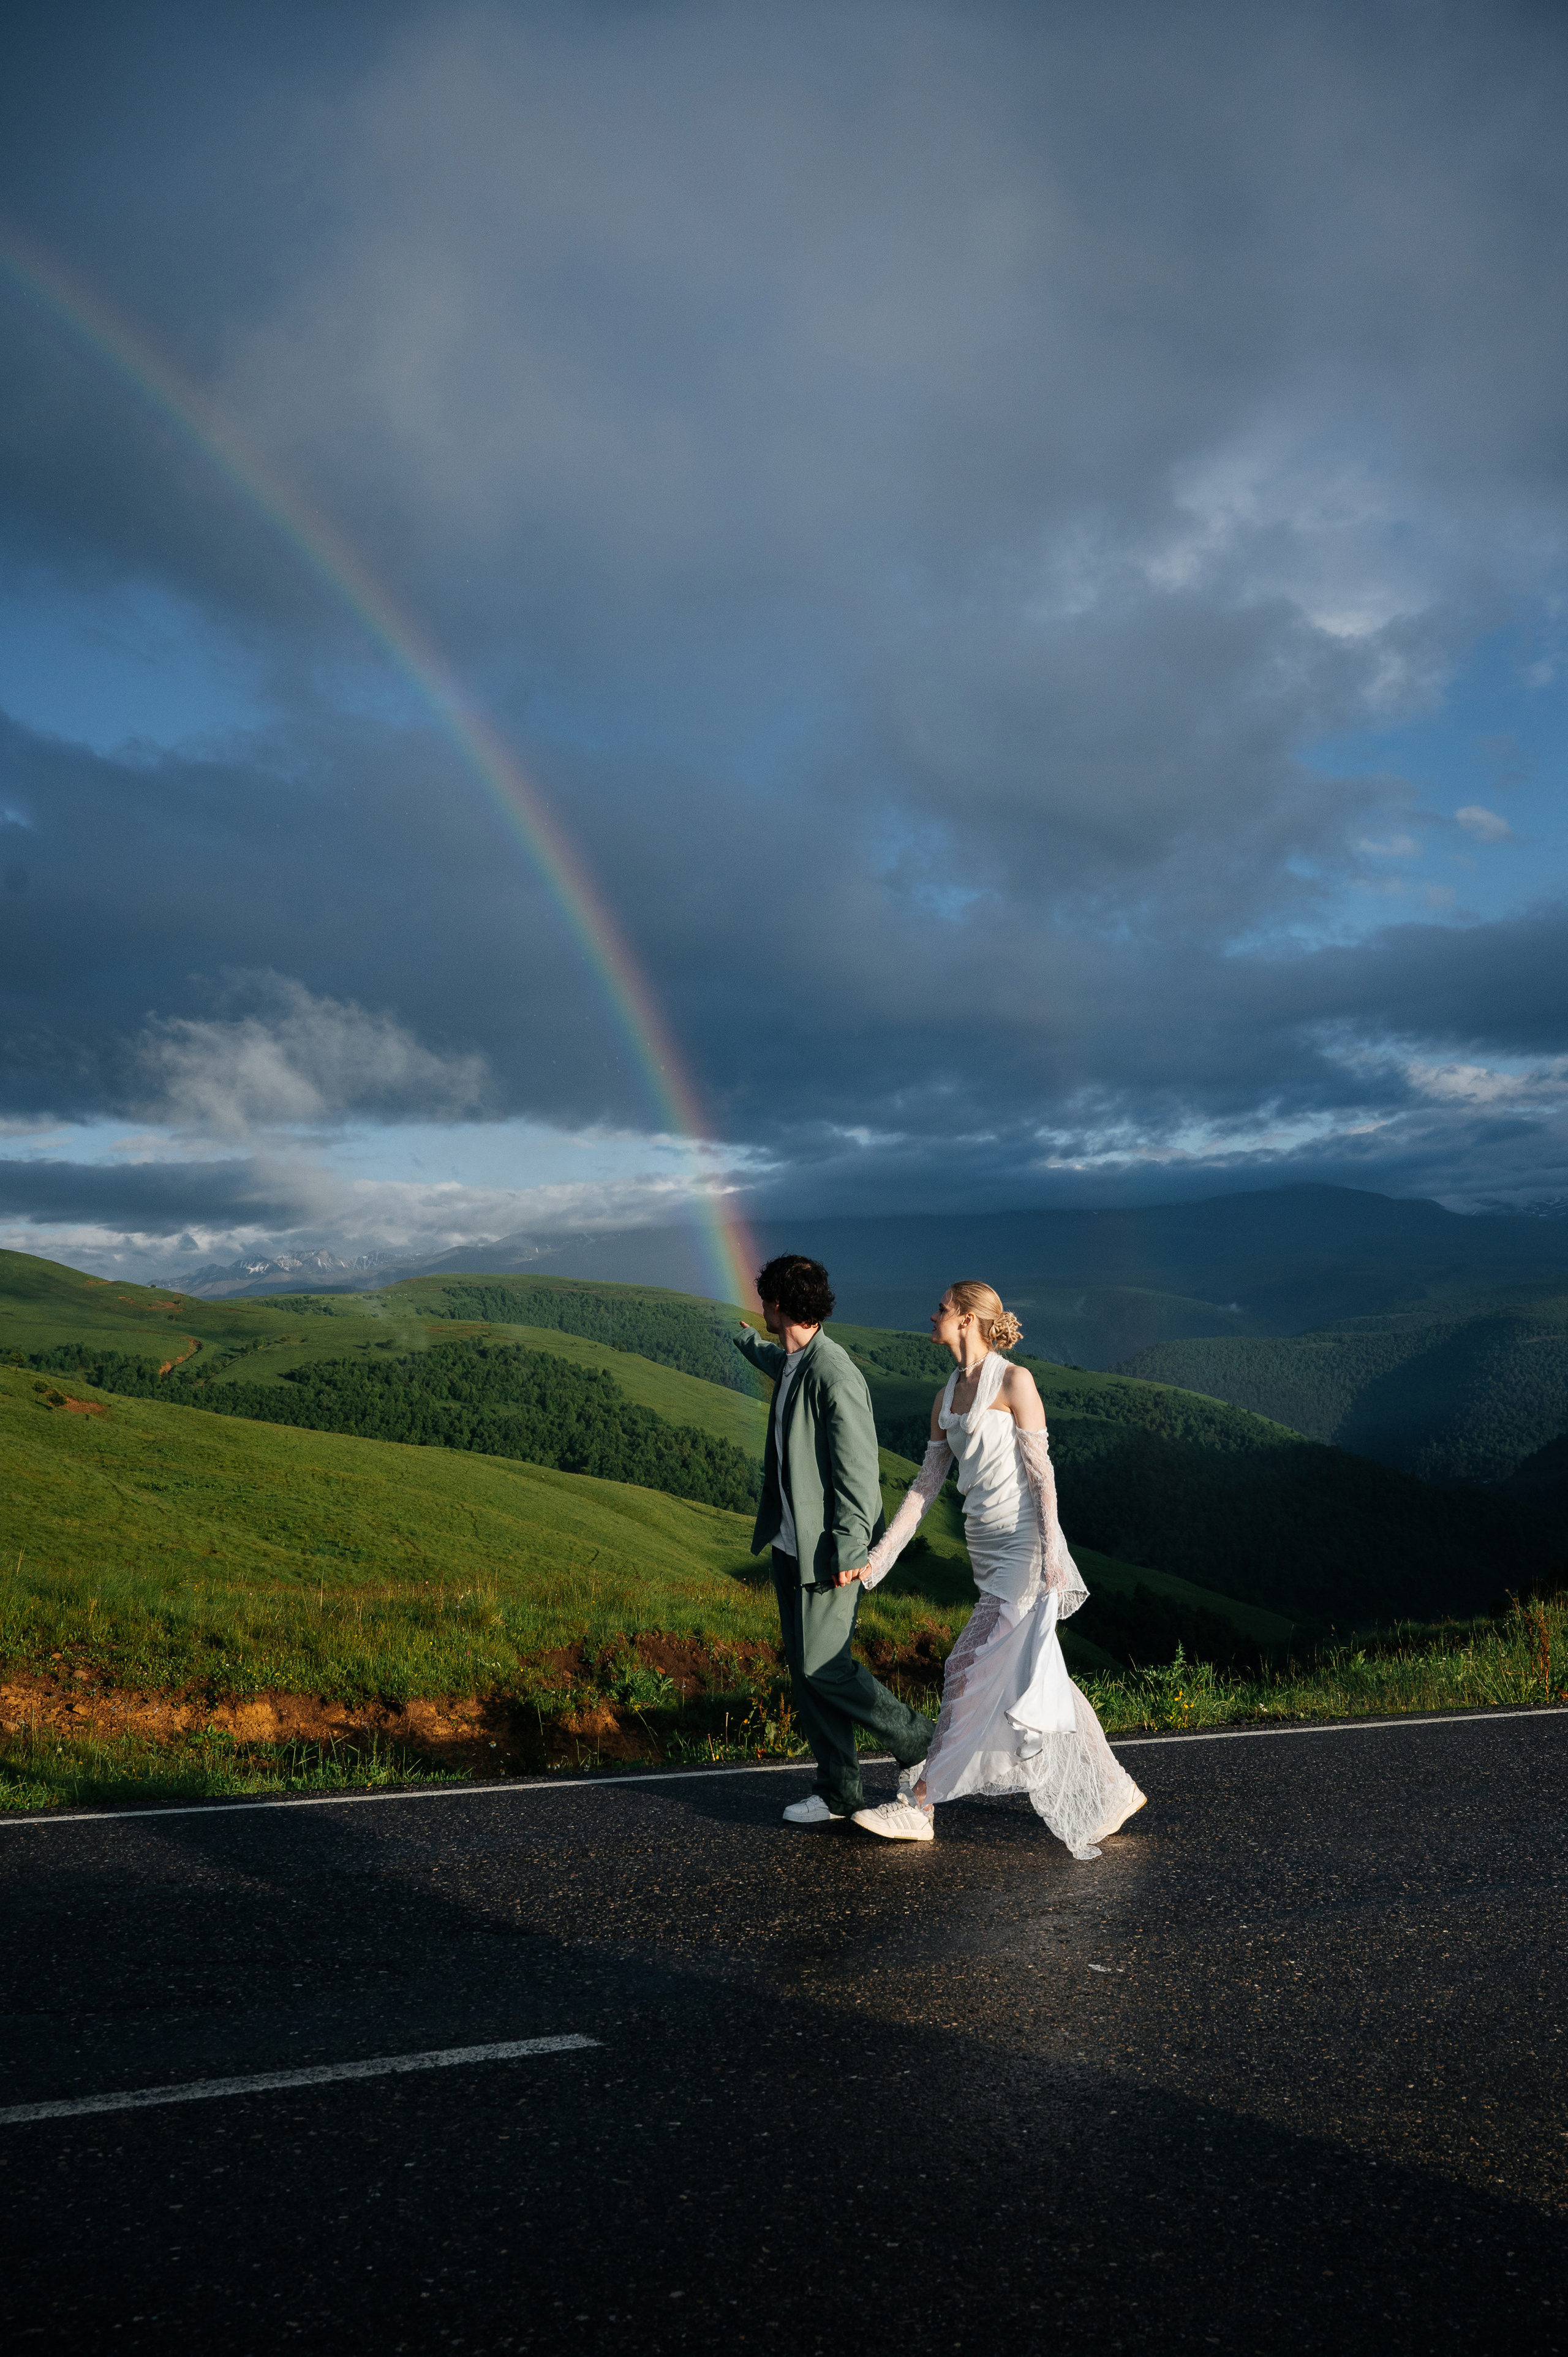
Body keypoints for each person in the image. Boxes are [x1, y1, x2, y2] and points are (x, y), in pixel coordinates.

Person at [848, 1281, 1146, 1858]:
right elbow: (924, 1489)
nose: (931, 1314)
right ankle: (1113, 1789)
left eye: (940, 1308)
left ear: (965, 1319)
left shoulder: (1015, 1381)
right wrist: (877, 1561)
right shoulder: (944, 1396)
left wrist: (1053, 1556)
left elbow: (1043, 1476)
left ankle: (921, 1805)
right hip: (985, 1550)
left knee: (968, 1667)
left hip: (1026, 1547)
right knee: (1036, 1672)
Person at [733, 1254, 939, 1826]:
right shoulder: (799, 1359)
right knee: (807, 1671)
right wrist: (748, 1344)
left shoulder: (834, 1372)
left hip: (825, 1552)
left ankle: (920, 1740)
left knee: (827, 1667)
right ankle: (838, 1792)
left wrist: (851, 1548)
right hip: (788, 1546)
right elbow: (780, 1359)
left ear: (781, 1304)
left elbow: (859, 1473)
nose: (763, 1309)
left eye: (766, 1301)